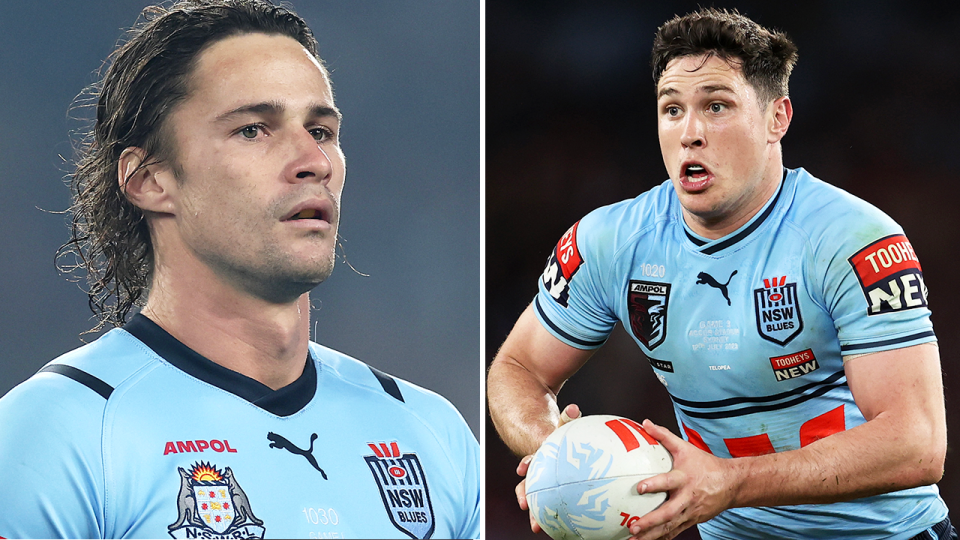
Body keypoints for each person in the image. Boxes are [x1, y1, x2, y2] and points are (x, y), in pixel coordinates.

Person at [0, 1, 480, 538]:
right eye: (254, 129)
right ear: (149, 181)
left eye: (321, 131)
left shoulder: (431, 435)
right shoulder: (55, 434)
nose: (313, 161)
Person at [487, 7, 952, 540]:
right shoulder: (610, 241)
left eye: (716, 106)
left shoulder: (852, 239)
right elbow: (517, 367)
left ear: (778, 118)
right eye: (672, 110)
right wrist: (557, 454)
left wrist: (730, 483)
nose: (690, 133)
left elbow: (917, 444)